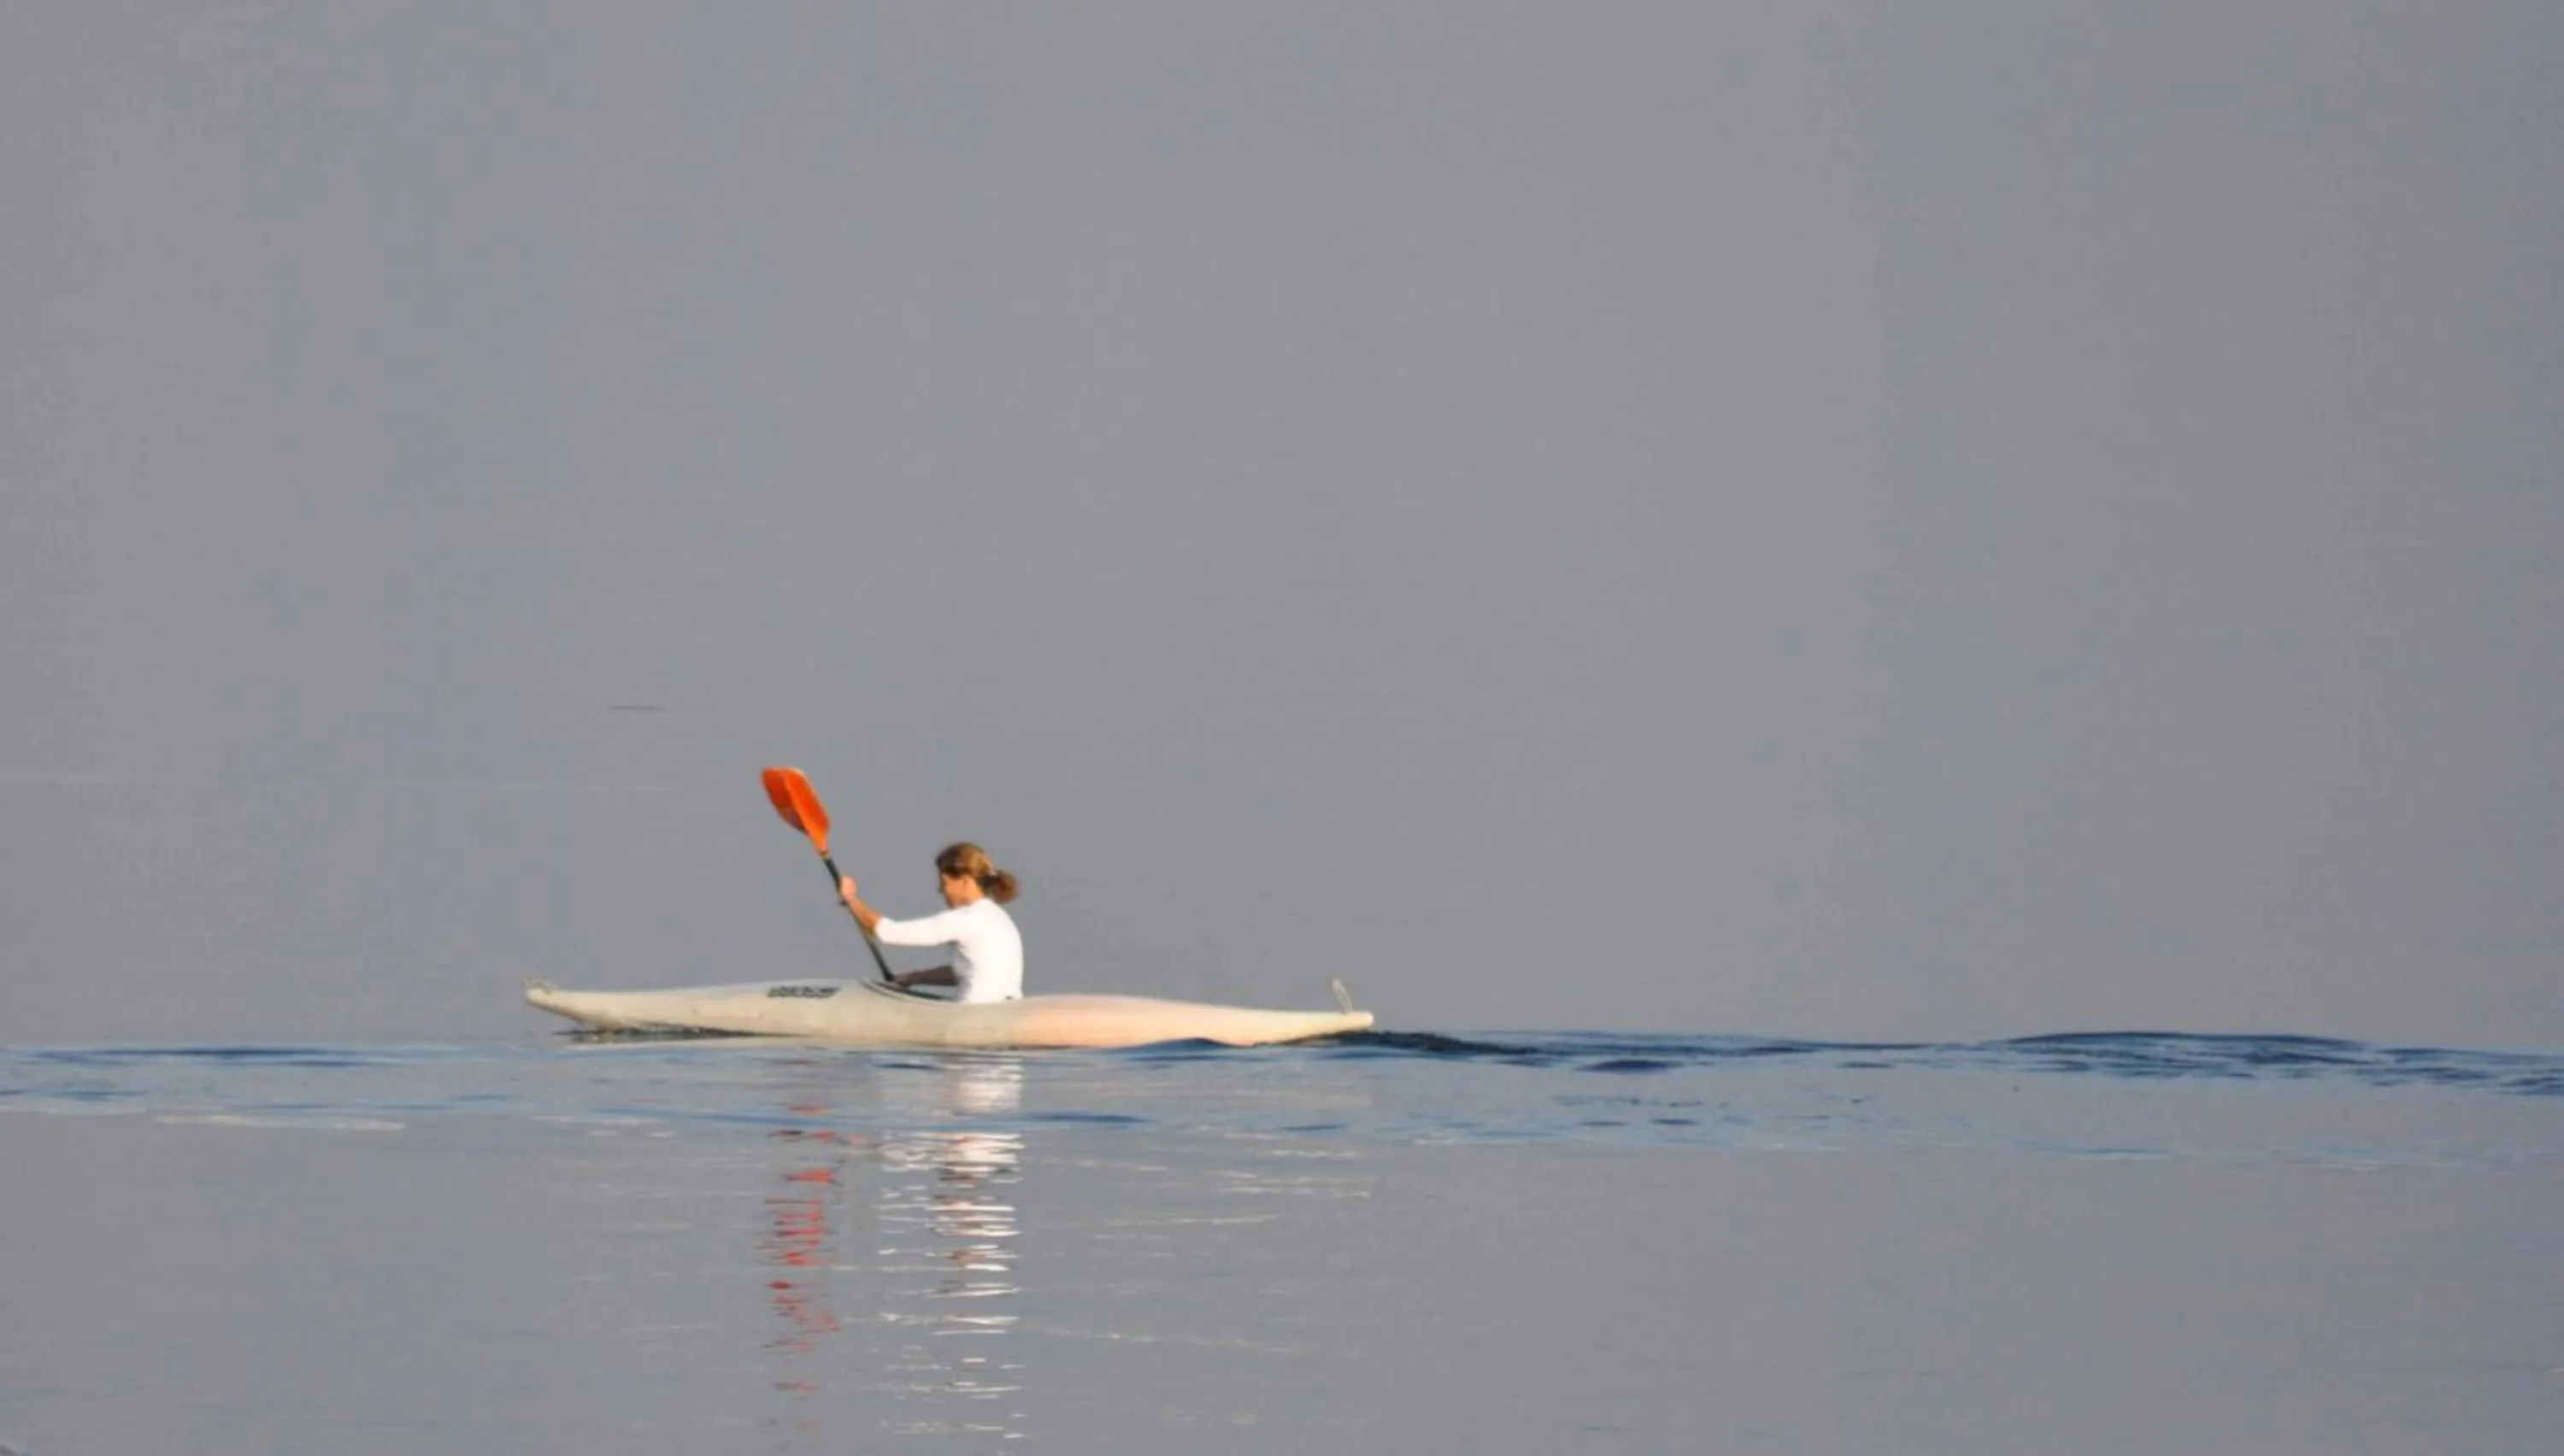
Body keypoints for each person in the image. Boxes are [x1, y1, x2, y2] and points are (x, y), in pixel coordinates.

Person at [838, 842, 1024, 1002]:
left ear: (966, 881)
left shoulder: (965, 919)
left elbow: (887, 933)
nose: (942, 892)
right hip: (1008, 1008)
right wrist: (913, 978)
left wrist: (851, 899)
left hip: (974, 1013)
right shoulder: (1000, 918)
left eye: (944, 884)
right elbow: (970, 969)